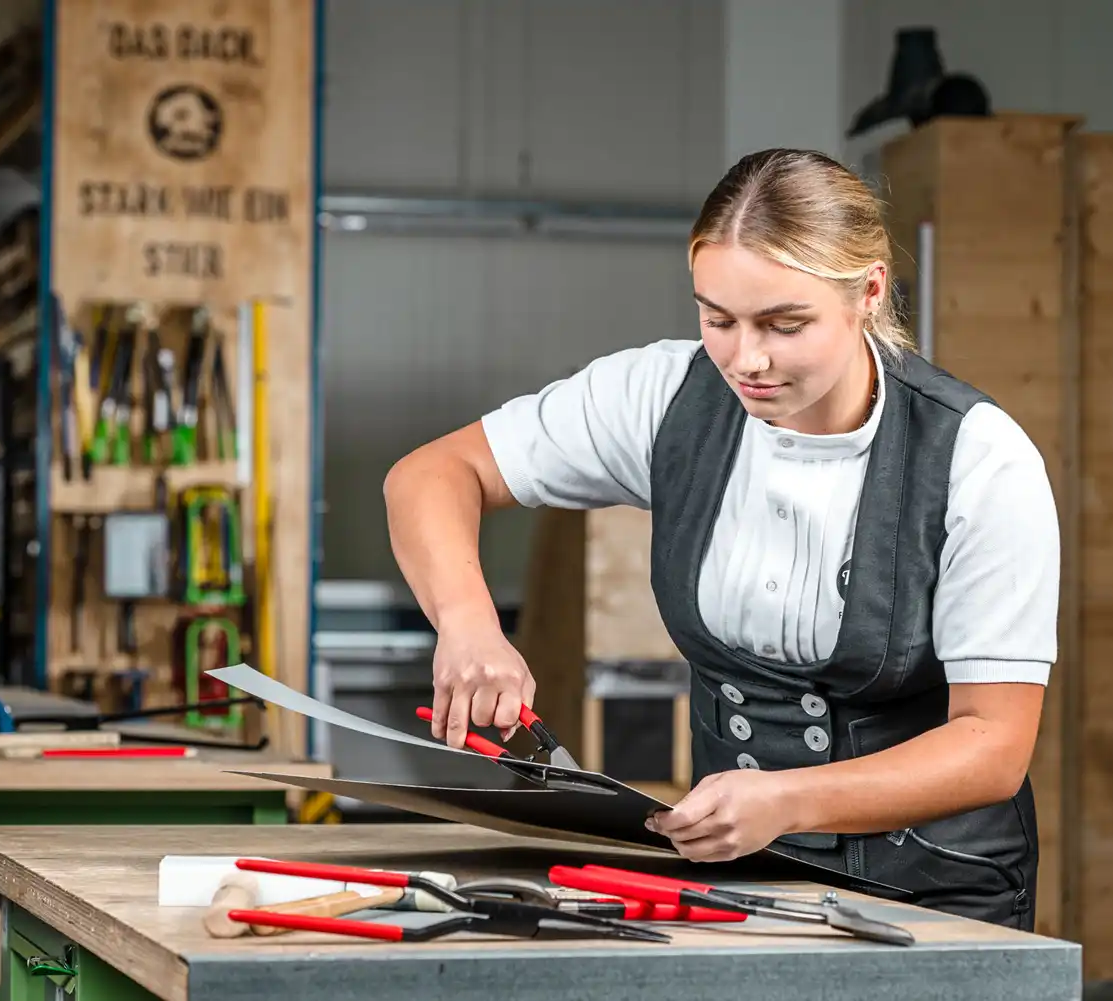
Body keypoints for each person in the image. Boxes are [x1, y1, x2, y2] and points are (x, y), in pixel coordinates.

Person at [382, 147, 1059, 930]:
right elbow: (433, 474)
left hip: (939, 892)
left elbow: (994, 743)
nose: (748, 358)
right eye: (718, 318)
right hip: (740, 886)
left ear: (869, 291)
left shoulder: (977, 457)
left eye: (785, 322)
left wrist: (787, 797)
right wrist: (467, 622)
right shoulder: (662, 397)